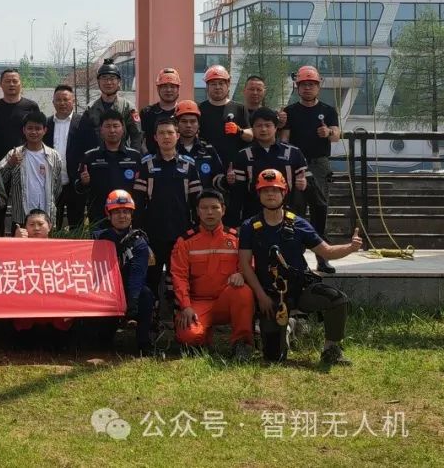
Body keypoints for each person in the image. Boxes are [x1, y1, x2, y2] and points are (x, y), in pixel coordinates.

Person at [239, 169, 362, 365]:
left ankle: (331, 349)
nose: (270, 194)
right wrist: (260, 296)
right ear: (259, 194)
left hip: (300, 289)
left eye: (275, 190)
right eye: (265, 191)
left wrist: (350, 248)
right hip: (271, 296)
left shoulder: (299, 224)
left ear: (284, 193)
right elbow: (245, 264)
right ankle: (288, 327)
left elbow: (327, 251)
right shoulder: (249, 227)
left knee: (338, 300)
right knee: (274, 358)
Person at [169, 190, 254, 360]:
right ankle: (202, 336)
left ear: (223, 210)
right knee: (189, 338)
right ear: (197, 211)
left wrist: (241, 274)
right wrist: (185, 306)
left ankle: (242, 343)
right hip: (197, 303)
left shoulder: (236, 239)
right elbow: (179, 276)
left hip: (226, 300)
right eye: (204, 208)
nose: (209, 212)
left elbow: (249, 264)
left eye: (214, 208)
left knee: (243, 291)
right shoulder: (185, 242)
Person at [132, 116, 202, 300]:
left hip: (181, 232)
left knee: (178, 277)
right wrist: (138, 231)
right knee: (152, 277)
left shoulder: (188, 165)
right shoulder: (146, 165)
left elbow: (197, 201)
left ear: (177, 136)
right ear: (155, 137)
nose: (166, 137)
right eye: (161, 133)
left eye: (170, 132)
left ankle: (177, 311)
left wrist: (196, 230)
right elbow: (138, 203)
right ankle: (152, 312)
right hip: (152, 233)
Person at [280, 65, 341, 274]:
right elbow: (284, 140)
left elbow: (336, 135)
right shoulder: (290, 112)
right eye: (304, 84)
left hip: (319, 164)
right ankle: (295, 258)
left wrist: (328, 132)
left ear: (318, 86)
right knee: (295, 210)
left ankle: (322, 258)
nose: (307, 88)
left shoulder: (328, 111)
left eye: (311, 84)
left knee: (320, 210)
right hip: (297, 165)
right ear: (297, 87)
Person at [83, 190, 153, 356]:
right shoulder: (97, 238)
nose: (122, 216)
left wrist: (132, 301)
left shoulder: (139, 242)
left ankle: (143, 343)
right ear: (109, 215)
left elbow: (137, 273)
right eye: (117, 212)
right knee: (101, 340)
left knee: (146, 295)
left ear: (131, 215)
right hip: (103, 290)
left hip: (129, 290)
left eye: (126, 212)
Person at [229, 107, 308, 226]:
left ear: (276, 127)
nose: (263, 129)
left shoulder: (293, 152)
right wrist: (235, 224)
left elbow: (308, 186)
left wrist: (304, 183)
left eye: (268, 125)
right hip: (254, 216)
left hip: (288, 215)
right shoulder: (244, 155)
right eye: (259, 126)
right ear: (252, 129)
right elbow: (238, 193)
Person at [11, 209, 73, 349]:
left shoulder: (62, 248)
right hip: (26, 299)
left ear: (49, 226)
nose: (36, 228)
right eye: (31, 224)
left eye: (40, 224)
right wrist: (15, 242)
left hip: (55, 300)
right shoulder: (16, 246)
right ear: (25, 228)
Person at [0, 110, 66, 233]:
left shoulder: (54, 156)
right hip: (21, 217)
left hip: (46, 218)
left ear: (45, 130)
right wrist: (10, 164)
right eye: (30, 128)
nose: (34, 132)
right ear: (24, 130)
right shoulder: (14, 154)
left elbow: (57, 187)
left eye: (38, 128)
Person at [45, 85, 97, 228]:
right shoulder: (46, 124)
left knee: (77, 224)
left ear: (73, 101)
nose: (62, 103)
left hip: (76, 182)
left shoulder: (84, 123)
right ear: (53, 102)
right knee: (51, 224)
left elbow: (92, 150)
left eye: (66, 100)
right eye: (58, 100)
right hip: (52, 183)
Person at [79, 111, 143, 224]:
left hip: (127, 216)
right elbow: (79, 188)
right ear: (101, 130)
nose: (112, 130)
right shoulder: (90, 157)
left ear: (123, 129)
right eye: (107, 126)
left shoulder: (135, 156)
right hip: (99, 217)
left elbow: (141, 190)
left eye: (116, 126)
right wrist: (84, 182)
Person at [196, 64, 253, 175]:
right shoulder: (200, 109)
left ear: (228, 85)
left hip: (234, 165)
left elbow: (250, 136)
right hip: (206, 164)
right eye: (213, 84)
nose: (217, 87)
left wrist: (239, 131)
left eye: (221, 83)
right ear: (207, 87)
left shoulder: (239, 108)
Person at [85, 59, 144, 151]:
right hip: (97, 156)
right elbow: (84, 136)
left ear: (119, 81)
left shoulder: (128, 107)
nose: (108, 82)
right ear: (98, 81)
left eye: (112, 78)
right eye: (104, 78)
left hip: (122, 156)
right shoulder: (90, 108)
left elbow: (137, 135)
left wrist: (133, 156)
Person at [0, 68, 40, 165]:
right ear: (0, 84)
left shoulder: (31, 107)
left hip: (25, 161)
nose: (11, 84)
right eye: (7, 81)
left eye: (15, 81)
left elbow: (39, 135)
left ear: (21, 84)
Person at [173, 100, 225, 191]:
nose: (188, 125)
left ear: (198, 124)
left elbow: (218, 177)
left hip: (204, 199)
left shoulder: (208, 150)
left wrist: (226, 181)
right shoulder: (170, 150)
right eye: (184, 121)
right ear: (176, 124)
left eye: (193, 121)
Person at [140, 68, 182, 155]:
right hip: (152, 161)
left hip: (180, 161)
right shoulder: (147, 113)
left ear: (178, 89)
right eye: (164, 86)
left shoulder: (184, 112)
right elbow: (140, 140)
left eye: (172, 86)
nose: (168, 90)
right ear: (158, 89)